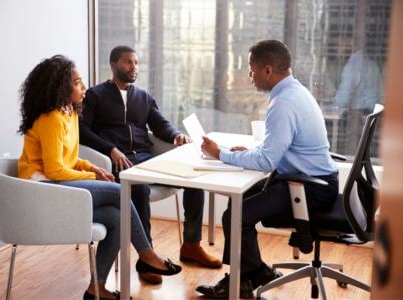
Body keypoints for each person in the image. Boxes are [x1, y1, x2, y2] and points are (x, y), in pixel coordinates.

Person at [17, 55, 181, 299]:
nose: (83, 87)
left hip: (60, 185)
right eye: (77, 82)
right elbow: (53, 170)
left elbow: (69, 158)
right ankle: (146, 254)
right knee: (120, 191)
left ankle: (96, 287)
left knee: (117, 218)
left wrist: (93, 169)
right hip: (44, 190)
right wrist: (91, 176)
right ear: (61, 87)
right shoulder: (51, 118)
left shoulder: (69, 113)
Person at [196, 40, 339, 298]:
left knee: (236, 216)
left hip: (310, 188)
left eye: (252, 70)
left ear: (268, 70)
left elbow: (266, 162)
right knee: (239, 206)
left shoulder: (283, 103)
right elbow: (276, 147)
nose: (249, 76)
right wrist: (247, 152)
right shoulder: (293, 92)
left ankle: (238, 284)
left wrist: (221, 154)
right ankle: (257, 272)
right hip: (313, 180)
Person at [79, 46, 222, 284]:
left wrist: (176, 135)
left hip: (146, 157)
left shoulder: (143, 96)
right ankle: (147, 257)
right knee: (140, 187)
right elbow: (82, 130)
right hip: (118, 162)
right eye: (127, 62)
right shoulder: (95, 95)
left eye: (136, 63)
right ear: (113, 64)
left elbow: (160, 124)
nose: (133, 67)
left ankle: (191, 244)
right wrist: (110, 149)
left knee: (193, 178)